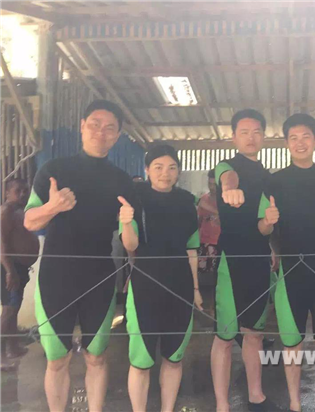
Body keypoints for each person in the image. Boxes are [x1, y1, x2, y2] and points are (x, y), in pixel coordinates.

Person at [24, 100, 138, 412]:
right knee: (57, 359)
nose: (101, 132)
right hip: (56, 276)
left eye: (110, 127)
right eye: (95, 124)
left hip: (99, 275)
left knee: (96, 356)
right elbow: (30, 221)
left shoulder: (122, 181)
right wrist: (52, 207)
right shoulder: (54, 171)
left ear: (117, 136)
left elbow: (131, 244)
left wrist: (128, 223)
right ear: (82, 126)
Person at [259, 113, 315, 412]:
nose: (300, 143)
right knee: (291, 342)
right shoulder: (274, 181)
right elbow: (264, 228)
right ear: (286, 143)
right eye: (293, 138)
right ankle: (295, 404)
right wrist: (268, 225)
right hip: (290, 271)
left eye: (305, 137)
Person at [124, 144, 202, 412]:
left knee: (174, 358)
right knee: (141, 361)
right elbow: (131, 245)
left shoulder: (187, 201)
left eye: (171, 167)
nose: (165, 173)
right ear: (147, 169)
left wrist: (196, 289)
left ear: (178, 171)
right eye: (158, 167)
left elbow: (191, 249)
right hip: (145, 287)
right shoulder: (135, 198)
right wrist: (126, 221)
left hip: (180, 286)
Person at [211, 109, 277, 412]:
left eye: (256, 132)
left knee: (254, 333)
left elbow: (264, 225)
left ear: (263, 136)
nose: (251, 137)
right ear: (234, 137)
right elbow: (228, 178)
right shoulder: (227, 167)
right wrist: (229, 189)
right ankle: (222, 404)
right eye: (244, 132)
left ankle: (256, 396)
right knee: (225, 336)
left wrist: (270, 230)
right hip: (231, 261)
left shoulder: (267, 178)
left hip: (259, 260)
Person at [1, 178, 39, 369]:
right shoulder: (6, 211)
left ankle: (12, 347)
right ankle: (1, 354)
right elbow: (1, 243)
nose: (23, 194)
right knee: (8, 310)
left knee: (14, 309)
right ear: (7, 192)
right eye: (18, 190)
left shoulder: (20, 211)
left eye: (25, 190)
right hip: (9, 268)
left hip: (19, 268)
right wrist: (9, 271)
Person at [197, 169, 221, 274]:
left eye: (214, 185)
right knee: (202, 273)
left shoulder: (226, 201)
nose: (211, 187)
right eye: (209, 184)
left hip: (218, 243)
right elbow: (199, 222)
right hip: (203, 242)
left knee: (215, 273)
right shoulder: (204, 199)